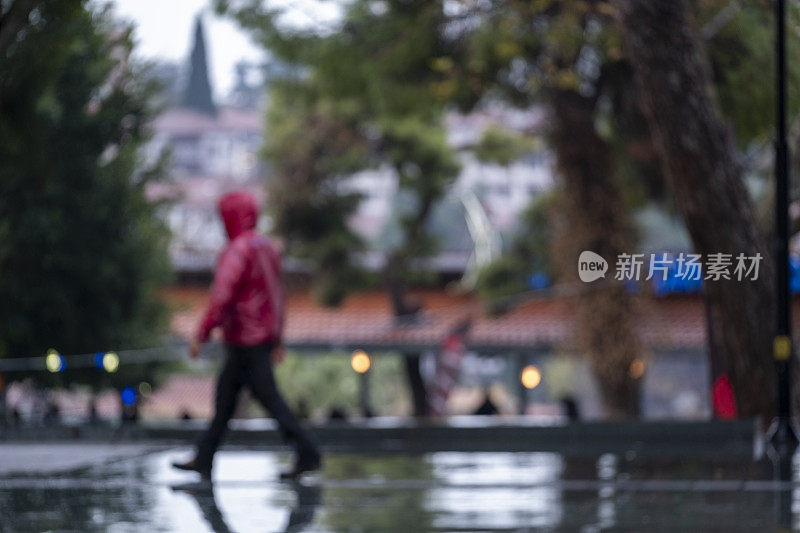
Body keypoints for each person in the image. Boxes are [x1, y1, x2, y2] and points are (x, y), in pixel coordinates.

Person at [172, 191, 321, 481]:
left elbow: (222, 294)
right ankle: (204, 457)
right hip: (258, 339)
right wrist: (277, 337)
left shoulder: (238, 250)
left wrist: (201, 333)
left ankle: (308, 451)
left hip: (245, 341)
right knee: (227, 400)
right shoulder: (267, 248)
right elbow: (277, 297)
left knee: (264, 399)